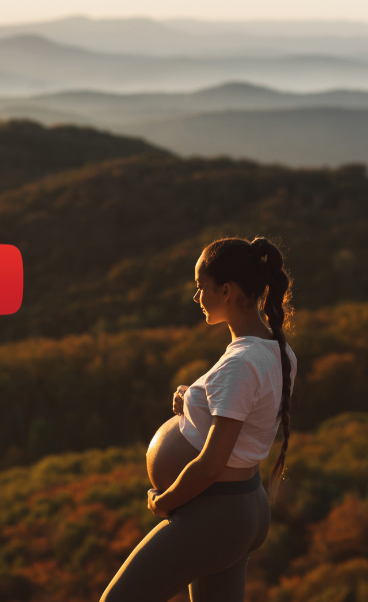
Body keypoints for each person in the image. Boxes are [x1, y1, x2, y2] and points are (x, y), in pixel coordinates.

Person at [99, 236, 297, 602]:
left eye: (200, 287)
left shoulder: (240, 363)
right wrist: (194, 399)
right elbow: (246, 414)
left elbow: (209, 465)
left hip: (218, 512)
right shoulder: (276, 350)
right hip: (242, 507)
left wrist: (166, 501)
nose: (196, 298)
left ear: (226, 290)